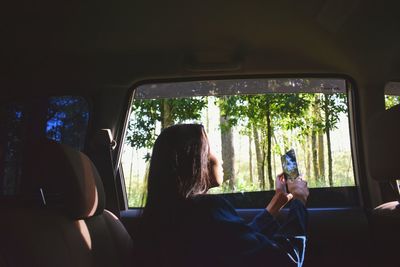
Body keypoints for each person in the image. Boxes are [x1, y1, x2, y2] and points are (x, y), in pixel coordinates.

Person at [135, 124, 309, 267]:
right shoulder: (208, 211)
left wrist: (275, 204)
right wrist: (299, 200)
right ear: (197, 160)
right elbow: (287, 261)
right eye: (211, 149)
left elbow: (235, 245)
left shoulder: (164, 218)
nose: (220, 158)